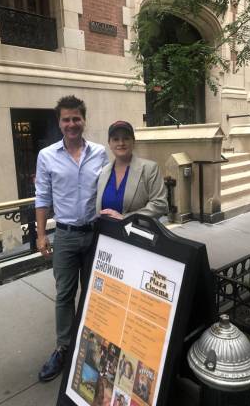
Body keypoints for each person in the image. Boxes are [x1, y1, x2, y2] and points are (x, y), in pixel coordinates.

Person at [35, 95, 108, 382]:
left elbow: (108, 189)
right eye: (66, 119)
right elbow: (41, 197)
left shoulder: (100, 153)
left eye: (76, 118)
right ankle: (64, 348)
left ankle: (94, 346)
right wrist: (41, 235)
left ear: (84, 120)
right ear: (59, 122)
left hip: (95, 235)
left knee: (95, 293)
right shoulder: (47, 156)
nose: (71, 124)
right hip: (64, 236)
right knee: (65, 295)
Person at [96, 121, 167, 219]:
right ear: (109, 143)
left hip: (137, 232)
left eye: (126, 138)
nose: (121, 143)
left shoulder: (150, 169)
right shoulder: (103, 172)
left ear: (133, 141)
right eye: (116, 139)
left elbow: (160, 205)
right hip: (106, 233)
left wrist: (125, 218)